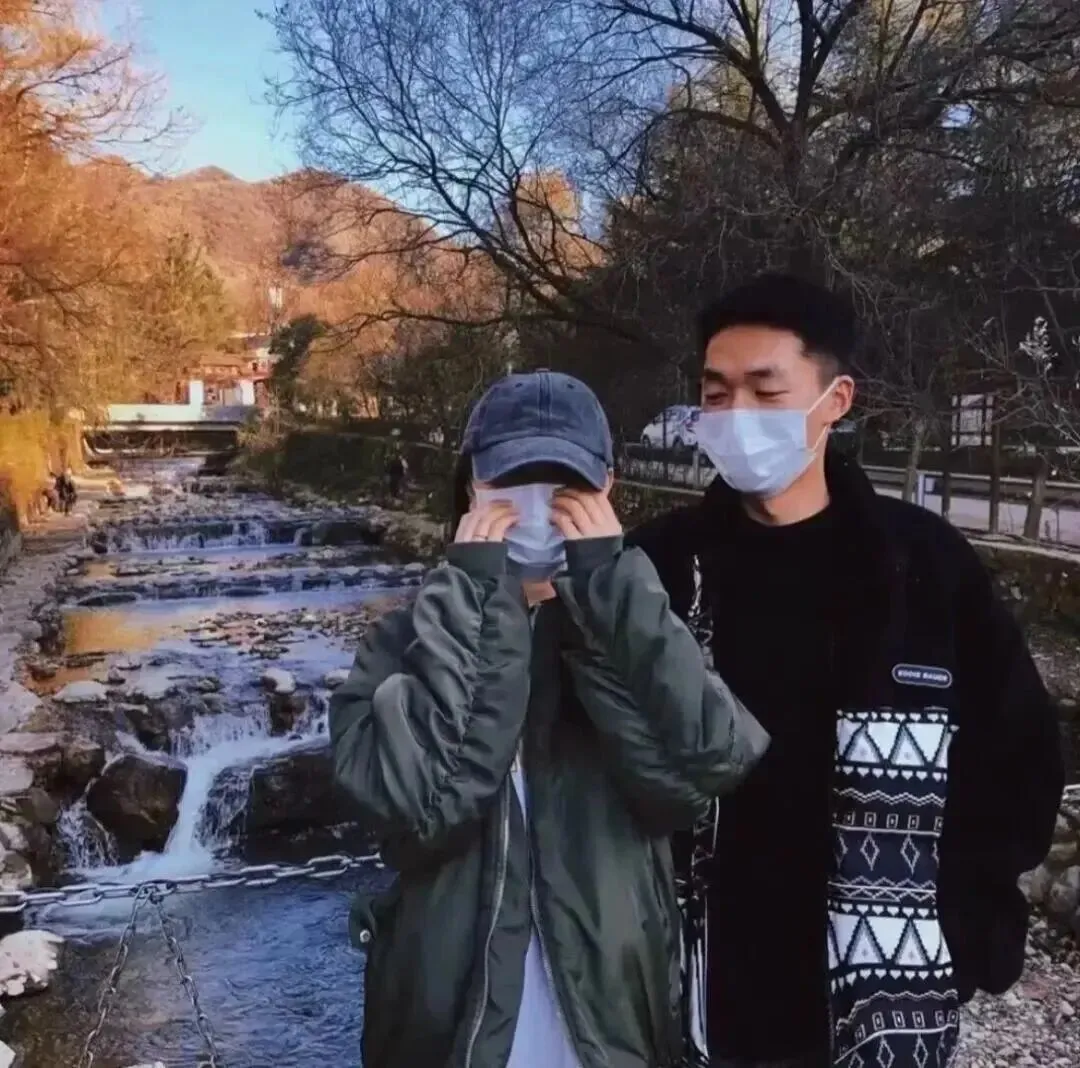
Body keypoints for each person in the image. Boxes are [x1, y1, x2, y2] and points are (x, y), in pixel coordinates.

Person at [629, 273, 1065, 1068]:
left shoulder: (923, 569)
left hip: (882, 996)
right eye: (716, 393)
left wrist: (965, 931)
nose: (735, 415)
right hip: (686, 980)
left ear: (835, 401)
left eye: (766, 391)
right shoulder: (658, 567)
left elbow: (1018, 761)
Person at [330, 370, 768, 1068]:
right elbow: (412, 808)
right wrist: (474, 598)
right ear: (471, 491)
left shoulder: (633, 628)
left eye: (565, 486)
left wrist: (611, 587)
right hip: (447, 1029)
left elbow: (703, 768)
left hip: (614, 1023)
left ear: (606, 489)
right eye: (510, 483)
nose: (537, 506)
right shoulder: (406, 641)